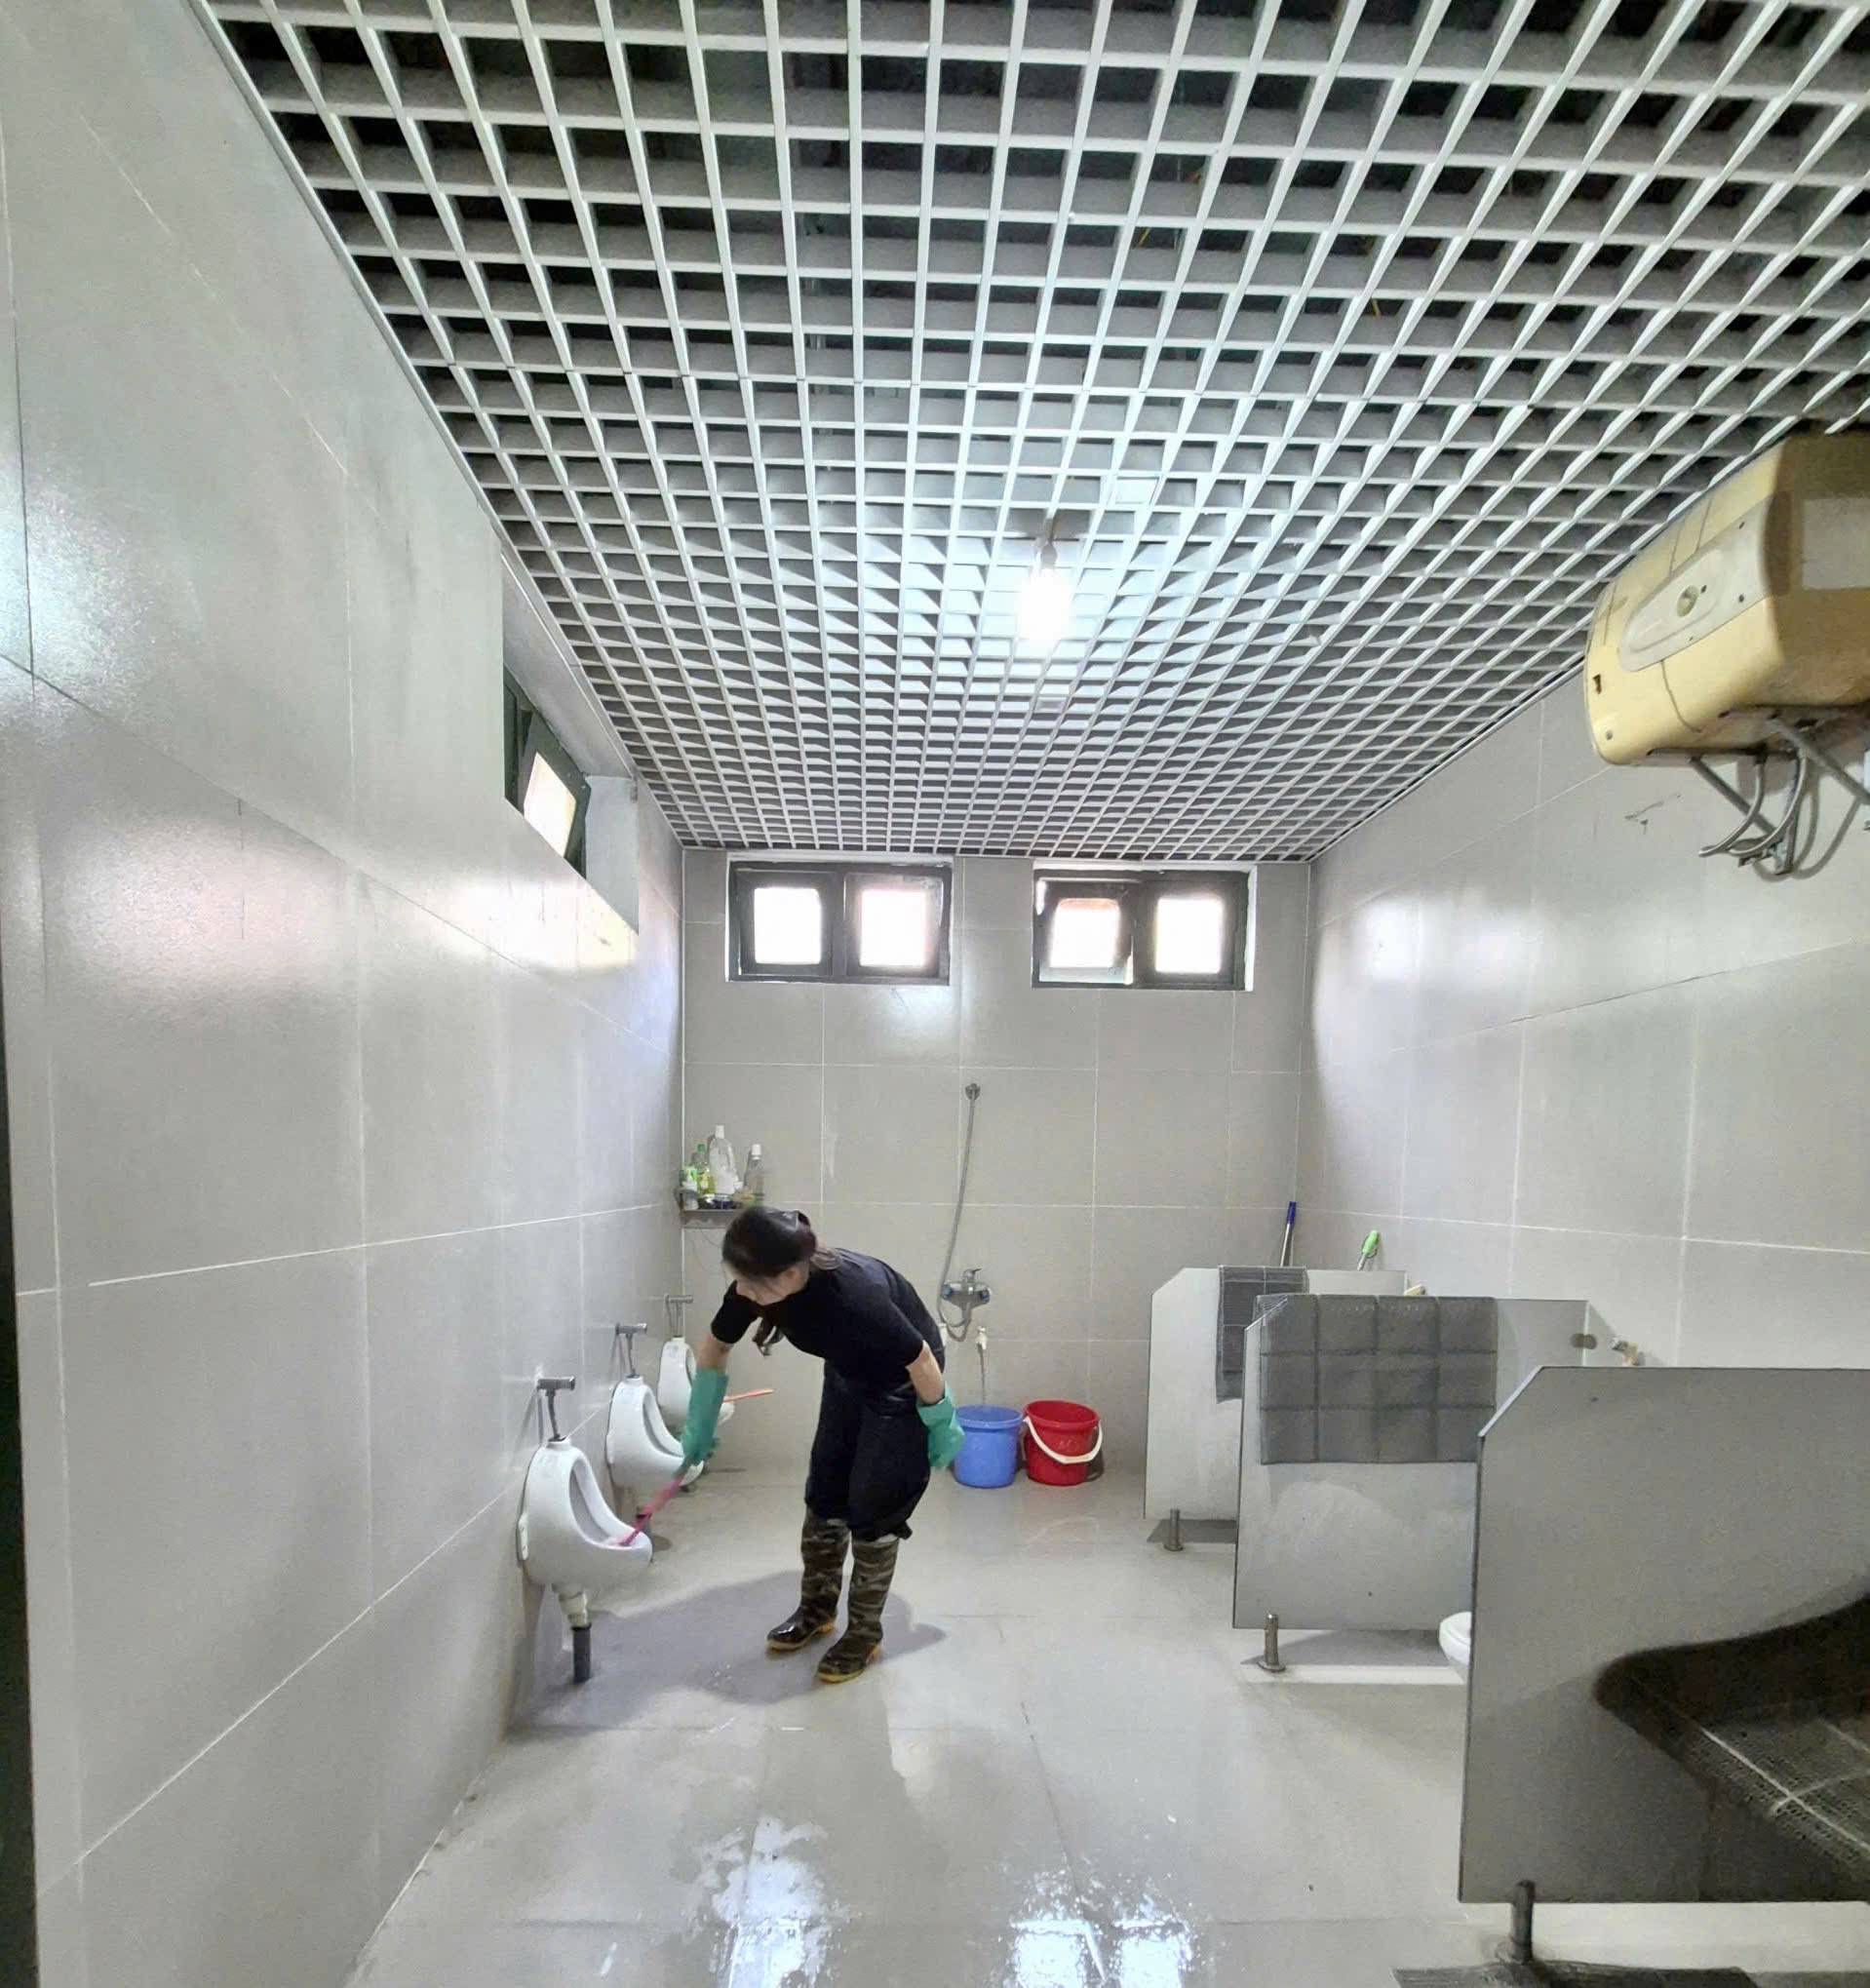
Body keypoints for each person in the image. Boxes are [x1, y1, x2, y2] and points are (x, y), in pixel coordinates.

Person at [679, 1207, 966, 1685]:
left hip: (903, 1380)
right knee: (825, 1492)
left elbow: (918, 1357)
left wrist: (940, 1419)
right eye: (739, 1281)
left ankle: (864, 1634)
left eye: (751, 1284)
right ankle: (816, 1611)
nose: (742, 1293)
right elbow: (716, 1344)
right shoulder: (760, 1280)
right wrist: (700, 1420)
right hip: (850, 1370)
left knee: (874, 1506)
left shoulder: (854, 1295)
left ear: (791, 1275)